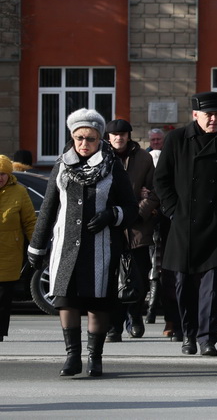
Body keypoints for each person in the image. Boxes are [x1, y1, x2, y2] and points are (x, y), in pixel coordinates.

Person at [27, 109, 138, 377]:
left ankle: (94, 358)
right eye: (79, 138)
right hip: (66, 247)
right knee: (66, 300)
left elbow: (132, 209)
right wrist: (37, 246)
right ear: (72, 137)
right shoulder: (62, 165)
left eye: (90, 138)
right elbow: (50, 207)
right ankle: (72, 357)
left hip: (100, 248)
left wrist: (112, 215)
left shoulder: (112, 167)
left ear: (100, 139)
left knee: (97, 302)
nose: (84, 144)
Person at [154, 91, 217, 356]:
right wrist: (174, 211)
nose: (214, 119)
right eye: (209, 115)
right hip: (183, 223)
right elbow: (162, 180)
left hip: (214, 222)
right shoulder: (177, 139)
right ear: (195, 115)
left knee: (212, 287)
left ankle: (208, 339)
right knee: (182, 284)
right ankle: (187, 335)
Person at [104, 118, 159, 342]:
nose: (119, 138)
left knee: (138, 278)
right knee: (111, 279)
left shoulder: (144, 158)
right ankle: (113, 326)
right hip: (109, 228)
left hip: (137, 229)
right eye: (115, 134)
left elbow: (155, 192)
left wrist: (138, 211)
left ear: (129, 136)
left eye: (123, 134)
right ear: (108, 137)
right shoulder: (101, 157)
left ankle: (134, 317)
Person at [0, 155, 36, 342]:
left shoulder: (20, 192)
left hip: (9, 251)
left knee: (4, 296)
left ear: (8, 174)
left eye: (3, 174)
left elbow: (30, 222)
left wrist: (36, 244)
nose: (0, 177)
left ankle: (0, 332)